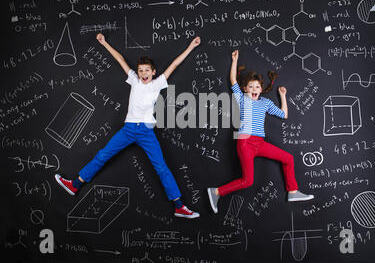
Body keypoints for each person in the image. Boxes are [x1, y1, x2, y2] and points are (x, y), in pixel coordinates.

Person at [55, 33, 201, 219]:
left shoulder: (158, 84)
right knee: (103, 155)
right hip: (129, 129)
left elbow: (174, 64)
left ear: (153, 72)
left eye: (147, 70)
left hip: (146, 132)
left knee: (161, 168)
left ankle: (179, 206)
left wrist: (191, 47)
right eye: (141, 71)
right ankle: (74, 185)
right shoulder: (133, 79)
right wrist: (104, 43)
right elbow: (120, 59)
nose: (143, 74)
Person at [207, 50, 314, 214]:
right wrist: (234, 60)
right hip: (245, 142)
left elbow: (284, 115)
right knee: (247, 181)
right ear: (245, 89)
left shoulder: (266, 102)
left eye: (257, 87)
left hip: (260, 143)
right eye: (250, 87)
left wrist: (283, 95)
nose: (254, 89)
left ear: (261, 89)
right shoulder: (242, 98)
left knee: (288, 158)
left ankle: (292, 192)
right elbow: (233, 80)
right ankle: (216, 192)